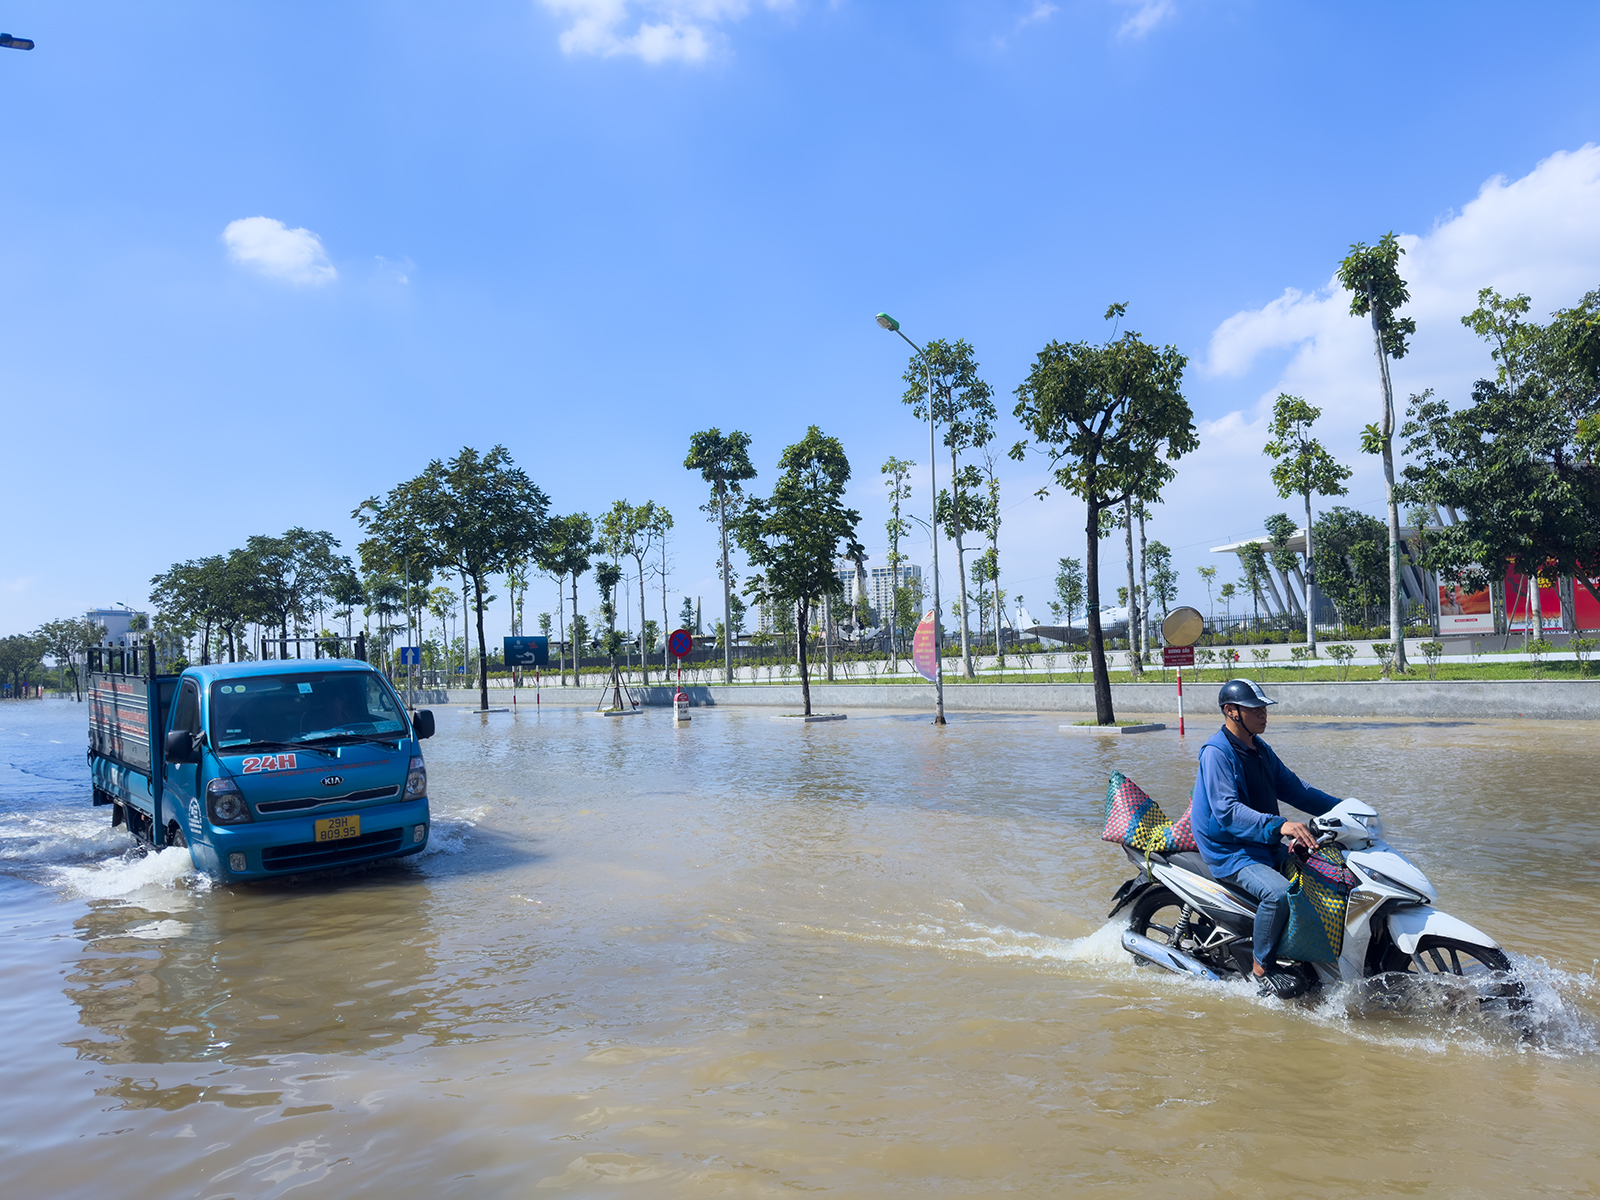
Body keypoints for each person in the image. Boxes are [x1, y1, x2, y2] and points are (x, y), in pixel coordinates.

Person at [1190, 677, 1341, 997]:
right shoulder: (1216, 753)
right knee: (1279, 894)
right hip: (1230, 851)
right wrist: (1281, 825)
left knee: (1327, 878)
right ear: (1231, 712)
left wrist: (1347, 809)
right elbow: (1227, 811)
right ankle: (1261, 968)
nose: (1263, 714)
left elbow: (1298, 791)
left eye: (1264, 708)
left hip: (1262, 842)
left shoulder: (1259, 749)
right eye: (1254, 708)